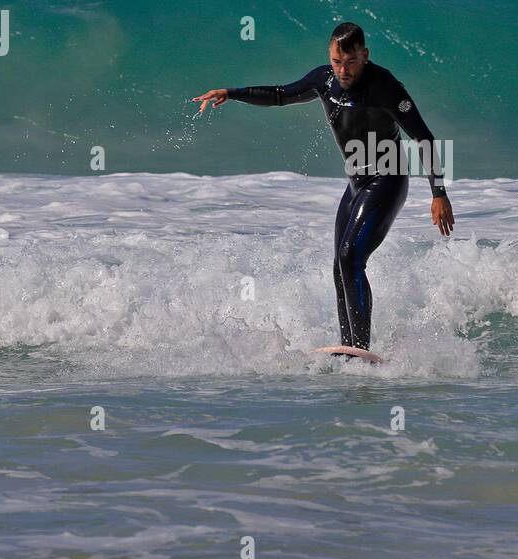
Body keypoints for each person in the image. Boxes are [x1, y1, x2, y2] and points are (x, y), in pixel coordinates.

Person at [193, 22, 453, 352]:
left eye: (351, 62)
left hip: (387, 178)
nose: (343, 70)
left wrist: (438, 194)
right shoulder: (324, 80)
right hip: (356, 184)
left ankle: (360, 349)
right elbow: (279, 95)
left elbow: (424, 137)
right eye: (336, 62)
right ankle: (351, 348)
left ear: (365, 55)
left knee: (350, 257)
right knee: (339, 266)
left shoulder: (386, 87)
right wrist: (233, 93)